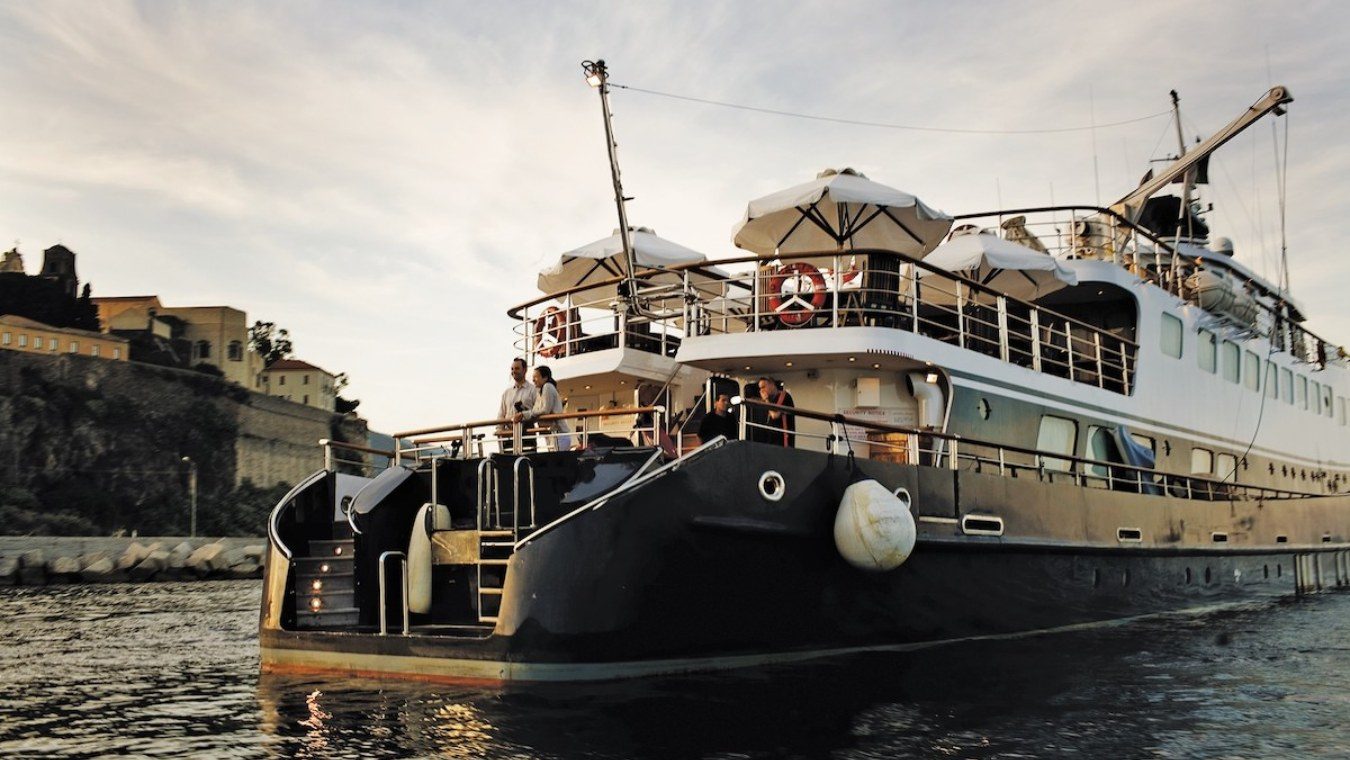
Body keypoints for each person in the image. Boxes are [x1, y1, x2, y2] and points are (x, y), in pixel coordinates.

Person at [516, 365, 572, 451]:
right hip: (552, 434)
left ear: (545, 377)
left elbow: (545, 410)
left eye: (536, 377)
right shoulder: (540, 391)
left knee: (555, 462)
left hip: (559, 434)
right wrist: (524, 412)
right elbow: (536, 410)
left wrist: (524, 414)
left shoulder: (547, 387)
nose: (533, 380)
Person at [497, 358, 538, 450]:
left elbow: (537, 411)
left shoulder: (533, 390)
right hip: (508, 436)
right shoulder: (506, 393)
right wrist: (499, 433)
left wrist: (524, 415)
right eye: (512, 369)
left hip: (527, 435)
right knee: (507, 463)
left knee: (528, 462)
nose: (513, 371)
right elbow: (501, 415)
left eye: (516, 368)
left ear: (525, 370)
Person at [758, 376, 795, 447]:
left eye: (763, 387)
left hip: (783, 438)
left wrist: (766, 400)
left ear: (771, 385)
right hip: (771, 438)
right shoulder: (771, 399)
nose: (762, 391)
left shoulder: (783, 395)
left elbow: (775, 415)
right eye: (760, 388)